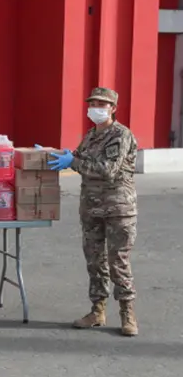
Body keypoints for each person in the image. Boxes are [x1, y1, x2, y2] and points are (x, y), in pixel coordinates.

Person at [44, 87, 139, 336]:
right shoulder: (90, 135)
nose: (96, 107)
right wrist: (53, 154)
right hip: (92, 208)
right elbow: (78, 158)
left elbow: (107, 169)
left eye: (102, 104)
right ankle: (97, 311)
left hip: (118, 208)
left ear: (113, 108)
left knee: (118, 262)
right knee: (95, 261)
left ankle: (127, 313)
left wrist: (72, 162)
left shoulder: (120, 135)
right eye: (93, 103)